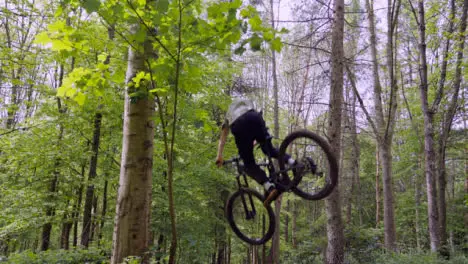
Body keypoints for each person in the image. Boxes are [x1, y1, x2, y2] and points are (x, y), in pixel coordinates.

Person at [215, 98, 295, 205]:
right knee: (269, 150)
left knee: (248, 165)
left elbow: (223, 137)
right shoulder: (247, 104)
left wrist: (219, 155)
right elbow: (253, 125)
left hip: (239, 125)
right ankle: (293, 162)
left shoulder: (229, 115)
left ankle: (270, 188)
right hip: (255, 117)